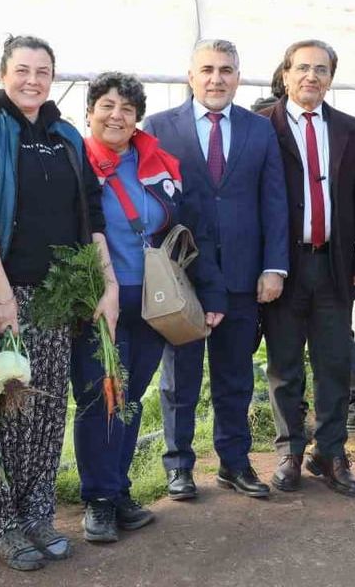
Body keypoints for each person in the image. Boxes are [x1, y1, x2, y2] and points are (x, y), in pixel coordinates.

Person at [0, 35, 115, 570]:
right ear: (2, 74)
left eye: (43, 71)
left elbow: (91, 212)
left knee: (43, 409)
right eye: (22, 69)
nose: (33, 80)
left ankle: (37, 513)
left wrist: (105, 284)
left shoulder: (66, 133)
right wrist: (1, 295)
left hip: (54, 295)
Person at [74, 72, 227, 543]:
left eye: (126, 108)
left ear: (138, 116)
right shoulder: (78, 162)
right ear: (90, 112)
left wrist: (211, 293)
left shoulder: (159, 161)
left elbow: (189, 228)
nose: (116, 115)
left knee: (132, 395)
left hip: (153, 300)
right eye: (106, 105)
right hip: (101, 300)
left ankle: (118, 490)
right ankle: (98, 500)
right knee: (102, 395)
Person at [144, 38, 289, 500]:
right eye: (206, 69)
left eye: (226, 70)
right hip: (183, 276)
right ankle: (179, 466)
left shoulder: (258, 129)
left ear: (238, 77)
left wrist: (274, 267)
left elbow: (275, 202)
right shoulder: (158, 128)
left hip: (244, 275)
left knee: (235, 376)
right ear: (190, 76)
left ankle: (234, 462)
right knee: (179, 378)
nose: (216, 78)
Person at [256, 40, 355, 497]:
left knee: (333, 362)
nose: (311, 76)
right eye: (302, 68)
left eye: (321, 69)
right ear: (285, 74)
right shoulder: (260, 127)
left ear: (331, 77)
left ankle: (330, 451)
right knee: (285, 364)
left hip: (333, 264)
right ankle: (290, 450)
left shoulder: (350, 129)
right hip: (282, 267)